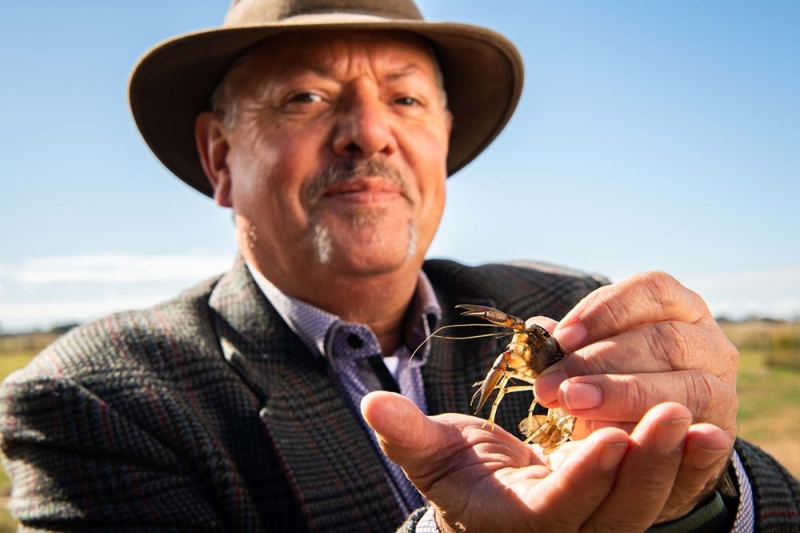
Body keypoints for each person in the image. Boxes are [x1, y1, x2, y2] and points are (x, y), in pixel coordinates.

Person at [1, 0, 798, 531]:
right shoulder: (92, 400)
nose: (369, 133)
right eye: (306, 98)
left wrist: (698, 495)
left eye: (407, 99)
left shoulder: (569, 305)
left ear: (442, 143)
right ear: (219, 156)